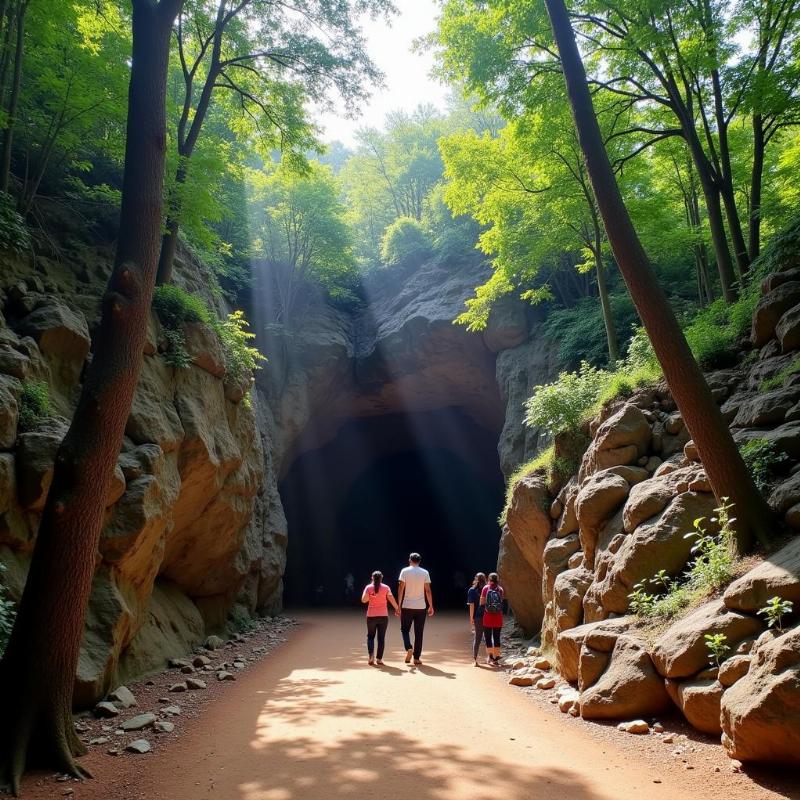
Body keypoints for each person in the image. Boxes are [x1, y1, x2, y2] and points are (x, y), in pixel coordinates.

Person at [398, 552, 434, 665]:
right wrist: (431, 606)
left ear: (410, 560)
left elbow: (401, 589)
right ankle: (417, 658)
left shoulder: (404, 571)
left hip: (407, 606)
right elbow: (428, 590)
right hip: (421, 607)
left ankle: (408, 647)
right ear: (419, 561)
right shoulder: (425, 572)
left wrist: (398, 605)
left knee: (404, 630)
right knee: (419, 633)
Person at [361, 570, 399, 665]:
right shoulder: (386, 588)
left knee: (370, 636)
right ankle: (379, 659)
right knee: (381, 638)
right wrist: (397, 608)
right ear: (382, 578)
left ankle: (371, 656)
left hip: (371, 616)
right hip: (383, 616)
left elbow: (363, 600)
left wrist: (371, 594)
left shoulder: (368, 587)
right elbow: (391, 598)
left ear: (372, 578)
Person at [480, 572, 504, 666]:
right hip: (498, 617)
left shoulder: (486, 588)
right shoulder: (500, 589)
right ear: (497, 579)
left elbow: (482, 602)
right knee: (497, 637)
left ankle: (490, 657)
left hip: (488, 617)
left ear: (489, 579)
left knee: (488, 637)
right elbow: (500, 603)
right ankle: (496, 658)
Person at [466, 572, 487, 667]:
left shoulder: (472, 590)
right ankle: (491, 658)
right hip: (488, 616)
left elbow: (472, 606)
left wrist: (471, 618)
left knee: (477, 637)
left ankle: (475, 659)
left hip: (478, 616)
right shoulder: (487, 589)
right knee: (488, 637)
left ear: (476, 579)